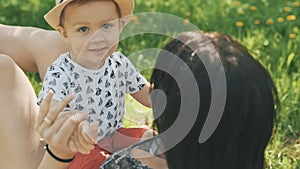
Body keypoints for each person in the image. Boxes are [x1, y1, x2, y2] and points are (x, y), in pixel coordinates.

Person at [37, 0, 154, 168]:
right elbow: (51, 112)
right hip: (78, 148)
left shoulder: (119, 63)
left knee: (152, 140)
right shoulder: (61, 72)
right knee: (101, 161)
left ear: (120, 26)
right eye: (83, 29)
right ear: (64, 34)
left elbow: (146, 94)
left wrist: (171, 97)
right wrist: (72, 125)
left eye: (106, 26)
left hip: (114, 136)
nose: (97, 38)